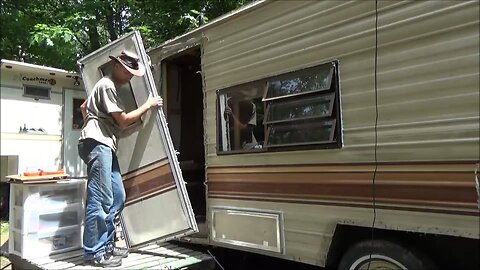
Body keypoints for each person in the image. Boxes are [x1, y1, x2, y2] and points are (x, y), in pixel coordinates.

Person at [78, 50, 163, 267]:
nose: (130, 77)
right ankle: (94, 252)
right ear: (116, 66)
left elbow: (84, 107)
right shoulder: (107, 85)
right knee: (100, 198)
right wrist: (148, 105)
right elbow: (123, 121)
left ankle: (106, 245)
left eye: (133, 73)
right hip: (97, 144)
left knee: (117, 197)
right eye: (128, 72)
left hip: (104, 144)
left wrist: (138, 123)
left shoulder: (108, 87)